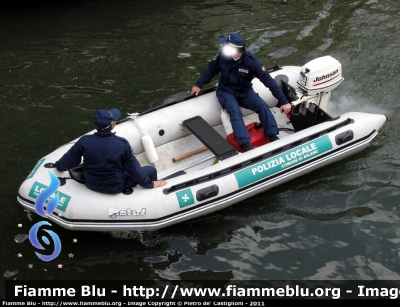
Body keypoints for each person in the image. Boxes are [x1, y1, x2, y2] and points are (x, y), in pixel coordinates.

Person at [191, 33, 292, 152]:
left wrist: (284, 101)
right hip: (226, 90)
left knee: (262, 106)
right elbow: (211, 70)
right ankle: (245, 144)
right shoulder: (222, 56)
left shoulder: (252, 62)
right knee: (234, 111)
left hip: (245, 91)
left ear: (236, 50)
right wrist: (199, 84)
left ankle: (272, 135)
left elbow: (269, 82)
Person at [55, 108, 167, 194]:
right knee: (151, 170)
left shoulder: (84, 141)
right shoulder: (121, 144)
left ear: (96, 125)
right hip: (115, 186)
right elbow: (134, 170)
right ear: (113, 126)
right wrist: (149, 184)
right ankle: (152, 194)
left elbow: (70, 160)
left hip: (91, 184)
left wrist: (58, 166)